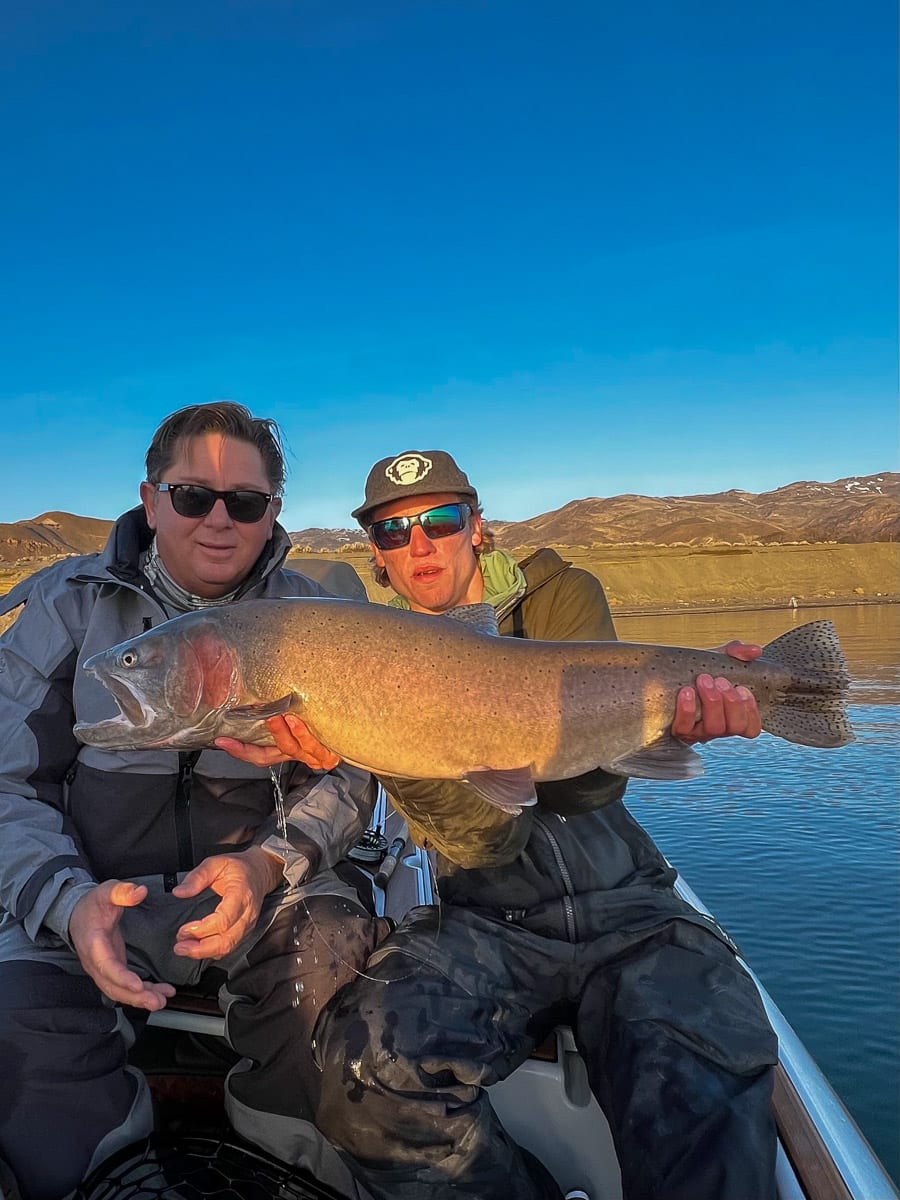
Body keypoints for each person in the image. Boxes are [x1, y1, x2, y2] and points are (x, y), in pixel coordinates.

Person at [247, 449, 780, 1200]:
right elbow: (486, 842)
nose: (420, 543)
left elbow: (594, 787)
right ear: (377, 555)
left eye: (439, 519)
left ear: (477, 527)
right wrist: (385, 736)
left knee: (706, 1093)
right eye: (395, 532)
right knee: (365, 1075)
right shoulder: (353, 661)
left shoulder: (559, 596)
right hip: (483, 920)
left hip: (630, 904)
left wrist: (684, 713)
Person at [0, 403, 386, 1200]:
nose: (219, 520)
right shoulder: (63, 608)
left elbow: (352, 779)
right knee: (17, 1041)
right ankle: (108, 1169)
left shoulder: (325, 622)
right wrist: (68, 903)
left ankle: (283, 1162)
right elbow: (6, 782)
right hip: (94, 892)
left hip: (267, 894)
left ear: (272, 512)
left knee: (341, 984)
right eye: (192, 496)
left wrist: (269, 861)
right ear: (150, 500)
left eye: (244, 502)